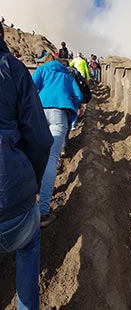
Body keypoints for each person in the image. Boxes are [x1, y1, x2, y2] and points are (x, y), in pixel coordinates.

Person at [0, 22, 53, 310]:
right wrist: (32, 182)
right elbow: (40, 138)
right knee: (29, 243)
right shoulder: (14, 69)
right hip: (13, 200)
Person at [32, 53, 83, 227]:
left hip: (39, 113)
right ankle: (43, 211)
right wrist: (72, 104)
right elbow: (79, 96)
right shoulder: (67, 76)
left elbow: (31, 88)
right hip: (59, 114)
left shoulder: (42, 69)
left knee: (35, 154)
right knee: (51, 159)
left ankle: (27, 203)